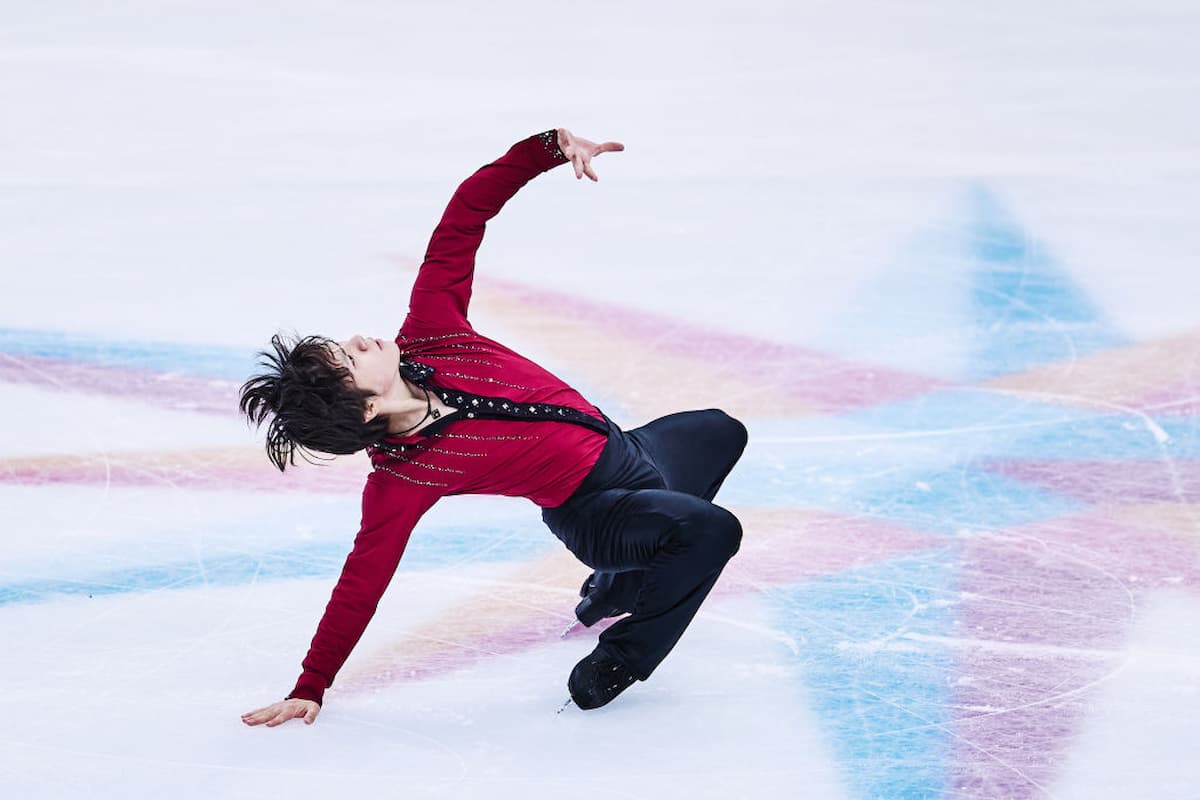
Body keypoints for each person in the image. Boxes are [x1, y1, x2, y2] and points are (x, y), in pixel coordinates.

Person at [239, 127, 747, 727]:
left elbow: (461, 221)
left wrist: (547, 150)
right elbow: (361, 582)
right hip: (598, 509)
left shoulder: (432, 329)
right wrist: (312, 683)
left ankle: (621, 584)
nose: (355, 340)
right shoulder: (404, 476)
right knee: (711, 532)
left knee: (719, 431)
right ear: (367, 409)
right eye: (349, 359)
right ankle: (621, 657)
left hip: (633, 453)